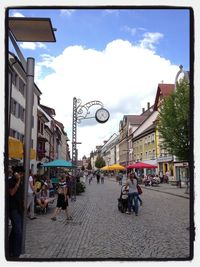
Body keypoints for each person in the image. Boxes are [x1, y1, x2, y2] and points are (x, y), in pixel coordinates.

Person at [8, 166, 25, 258]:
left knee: (15, 230)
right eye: (20, 174)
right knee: (18, 231)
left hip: (19, 208)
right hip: (13, 209)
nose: (22, 176)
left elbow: (20, 194)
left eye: (22, 174)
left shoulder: (21, 182)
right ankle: (16, 254)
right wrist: (18, 182)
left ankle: (9, 248)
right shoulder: (11, 181)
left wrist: (23, 204)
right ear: (16, 173)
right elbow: (12, 193)